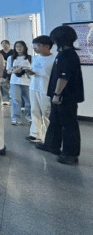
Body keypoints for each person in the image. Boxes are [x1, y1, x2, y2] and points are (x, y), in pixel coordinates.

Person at [37, 26, 84, 165]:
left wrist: (57, 94)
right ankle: (51, 145)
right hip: (60, 95)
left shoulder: (67, 55)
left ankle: (70, 154)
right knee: (55, 120)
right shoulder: (63, 53)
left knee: (69, 125)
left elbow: (63, 77)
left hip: (66, 96)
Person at [25, 36, 55, 143]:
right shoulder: (35, 58)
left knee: (47, 113)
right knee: (34, 111)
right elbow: (33, 71)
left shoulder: (54, 59)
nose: (34, 48)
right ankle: (35, 134)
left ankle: (50, 136)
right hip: (34, 87)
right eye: (34, 45)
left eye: (37, 45)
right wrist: (29, 72)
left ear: (46, 46)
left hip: (45, 89)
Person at [7, 41, 32, 125]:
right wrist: (14, 70)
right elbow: (8, 71)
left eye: (21, 46)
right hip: (15, 81)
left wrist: (26, 70)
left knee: (28, 100)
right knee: (15, 100)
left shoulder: (29, 58)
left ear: (25, 47)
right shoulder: (11, 58)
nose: (19, 48)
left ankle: (29, 116)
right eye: (17, 46)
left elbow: (33, 70)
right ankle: (16, 118)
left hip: (27, 81)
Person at [0, 40, 13, 105]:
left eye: (6, 43)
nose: (4, 45)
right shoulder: (0, 53)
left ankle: (13, 99)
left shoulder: (13, 52)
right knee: (4, 85)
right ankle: (5, 100)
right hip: (3, 70)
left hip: (12, 70)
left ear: (9, 44)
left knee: (12, 86)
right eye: (3, 43)